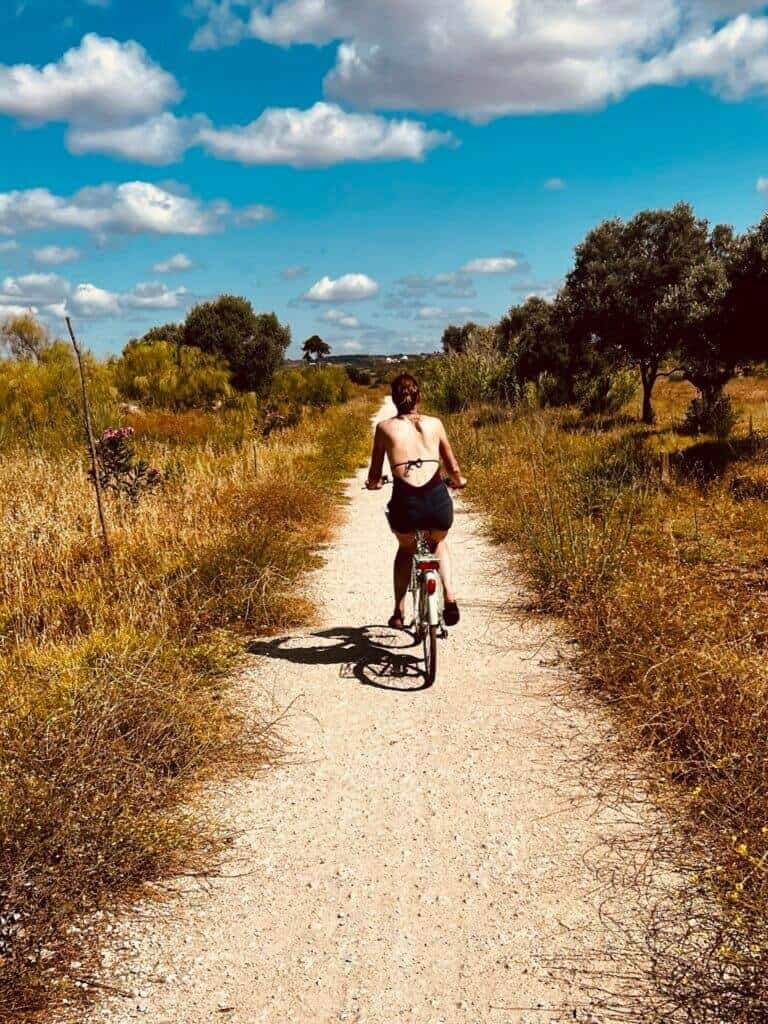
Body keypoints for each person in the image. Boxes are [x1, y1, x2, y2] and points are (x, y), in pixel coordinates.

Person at [366, 372, 467, 630]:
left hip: (406, 505)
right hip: (437, 503)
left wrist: (374, 484)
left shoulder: (384, 428)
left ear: (394, 400)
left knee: (405, 549)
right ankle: (450, 596)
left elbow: (375, 474)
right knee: (438, 541)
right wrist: (459, 481)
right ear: (418, 397)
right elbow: (452, 466)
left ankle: (399, 612)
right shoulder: (435, 424)